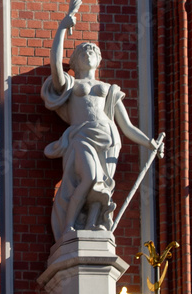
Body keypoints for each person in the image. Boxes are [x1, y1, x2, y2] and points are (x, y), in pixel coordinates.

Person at [42, 12, 162, 239]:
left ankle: (93, 224)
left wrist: (149, 142)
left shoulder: (109, 89)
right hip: (81, 136)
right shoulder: (71, 84)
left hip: (109, 138)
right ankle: (69, 226)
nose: (89, 54)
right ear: (76, 61)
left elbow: (125, 126)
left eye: (93, 51)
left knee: (103, 186)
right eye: (84, 51)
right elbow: (56, 64)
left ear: (99, 60)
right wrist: (61, 30)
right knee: (89, 177)